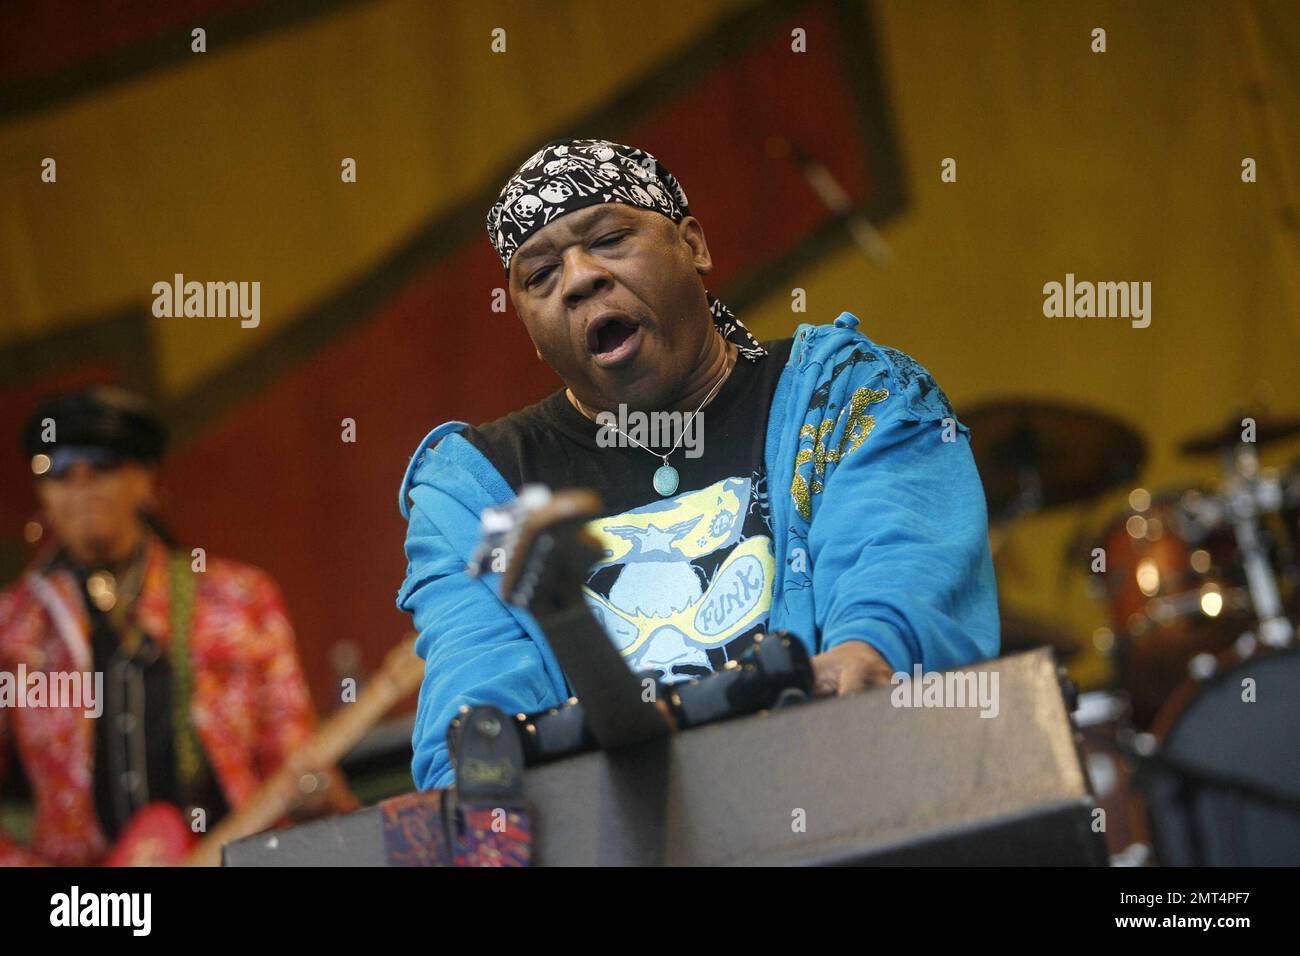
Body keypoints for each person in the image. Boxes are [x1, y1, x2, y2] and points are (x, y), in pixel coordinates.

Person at [397, 137, 1000, 791]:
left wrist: (868, 655)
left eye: (608, 238)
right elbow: (471, 737)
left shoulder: (847, 395)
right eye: (540, 276)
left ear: (694, 245)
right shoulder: (475, 494)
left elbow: (899, 580)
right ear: (526, 323)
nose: (578, 280)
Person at [0, 387, 353, 866]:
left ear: (144, 480)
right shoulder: (13, 625)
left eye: (101, 465)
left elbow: (289, 750)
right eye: (57, 471)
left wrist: (318, 798)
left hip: (233, 856)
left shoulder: (237, 597)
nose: (79, 484)